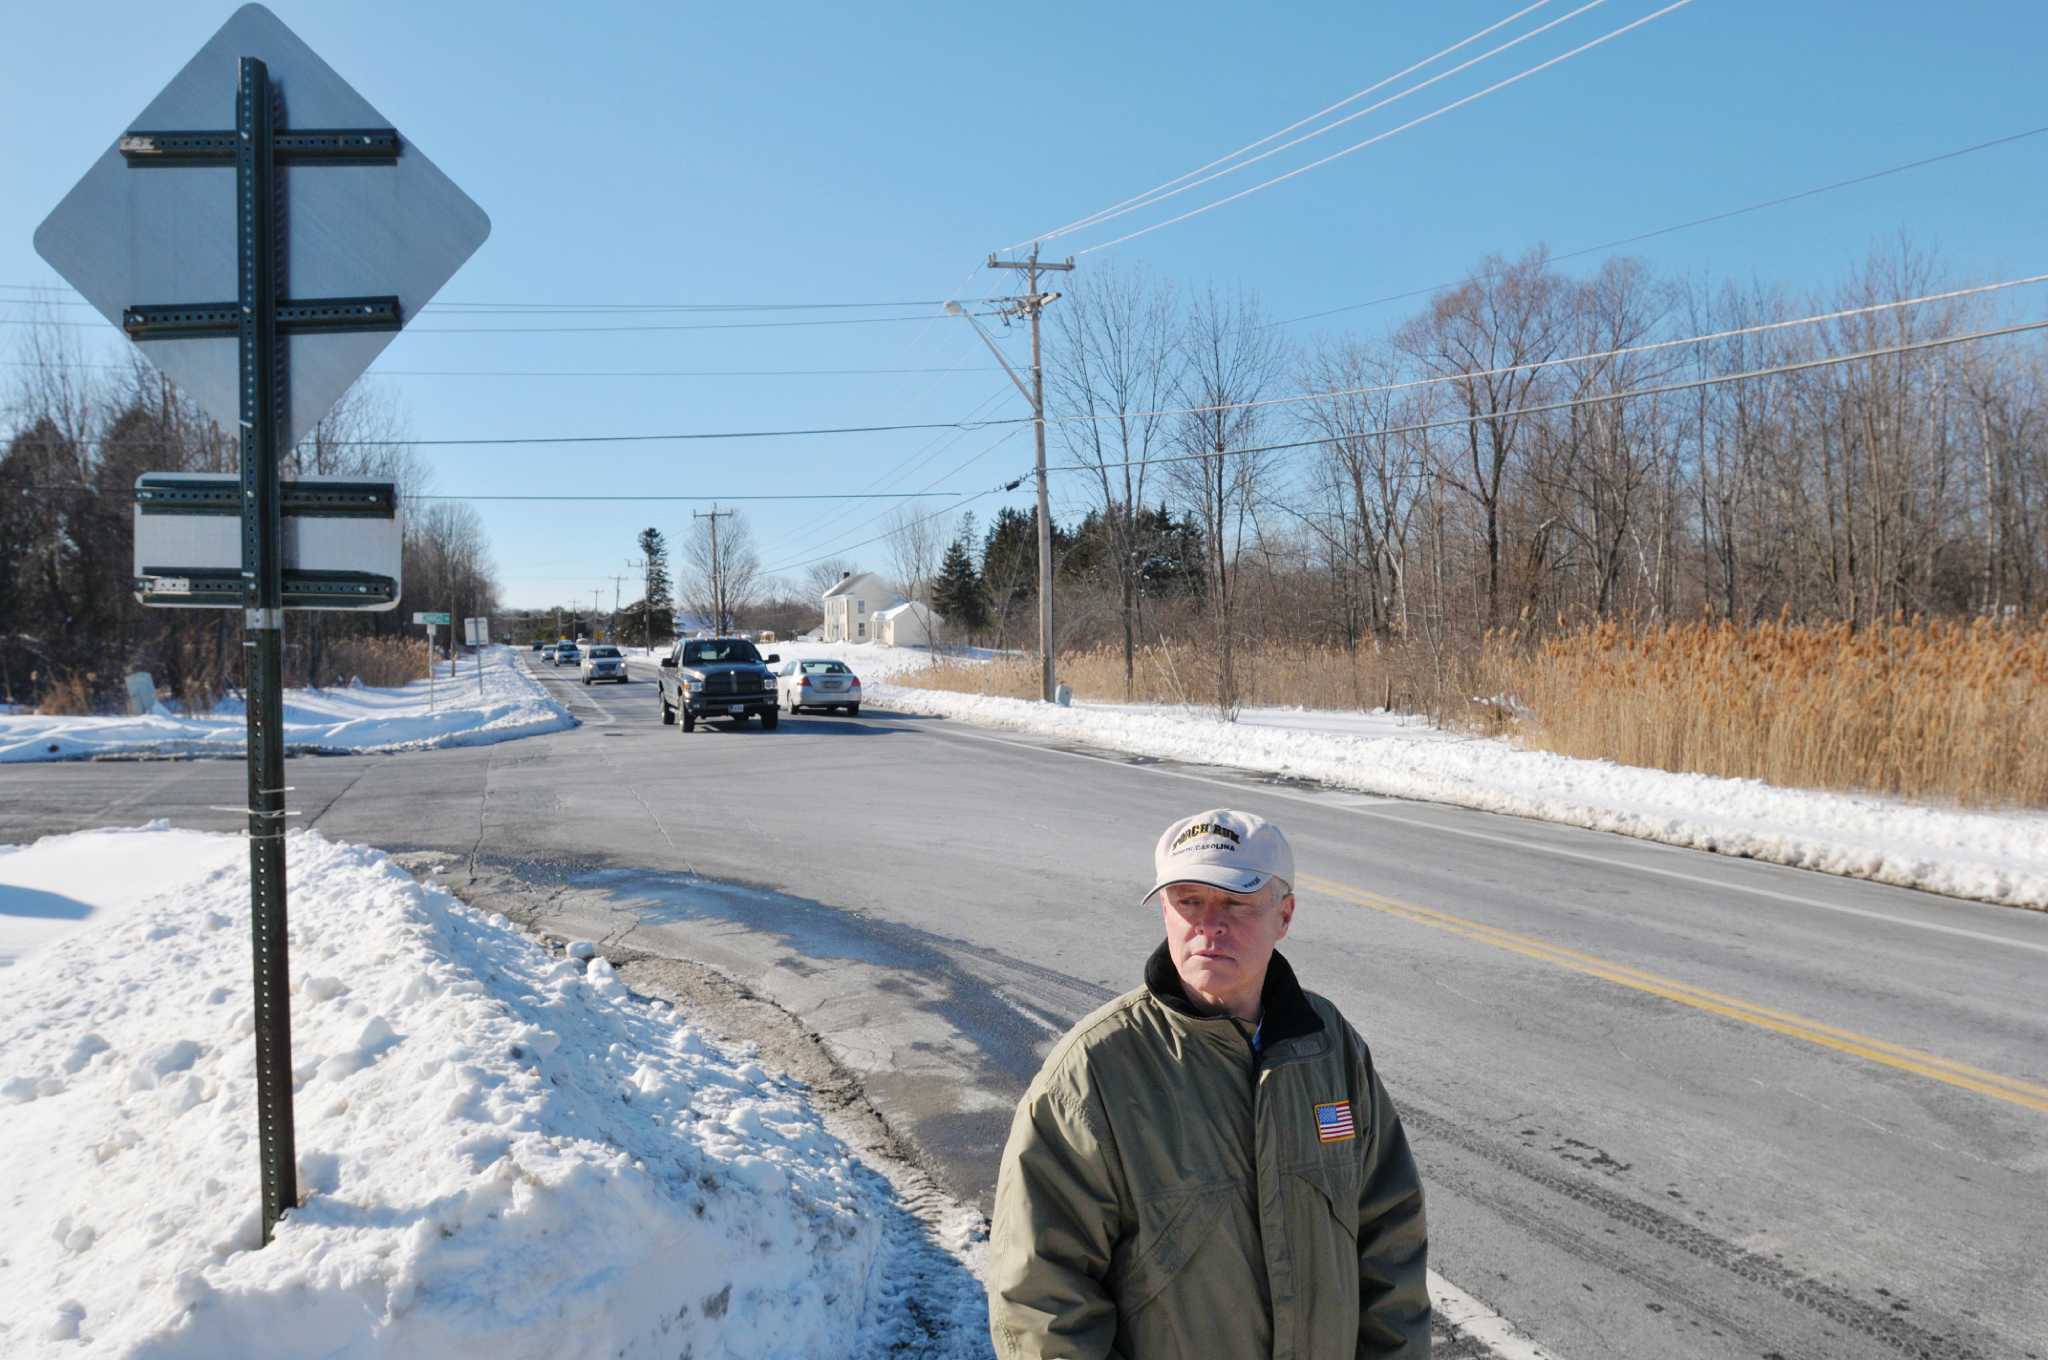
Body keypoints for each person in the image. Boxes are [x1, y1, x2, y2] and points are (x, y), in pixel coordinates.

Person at [987, 808, 1429, 1358]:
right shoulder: (1093, 1073)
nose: (1209, 924)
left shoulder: (1329, 1048)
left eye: (1236, 902)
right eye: (1188, 901)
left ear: (1284, 915)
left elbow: (1390, 1239)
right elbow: (1042, 1297)